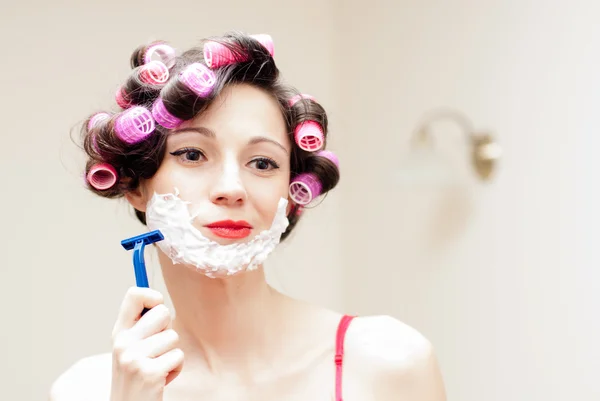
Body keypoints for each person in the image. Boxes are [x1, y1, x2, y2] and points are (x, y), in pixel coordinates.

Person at [50, 31, 446, 401]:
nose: (232, 188)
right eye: (192, 154)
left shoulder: (389, 363)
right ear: (136, 185)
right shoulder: (84, 390)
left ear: (291, 195)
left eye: (262, 162)